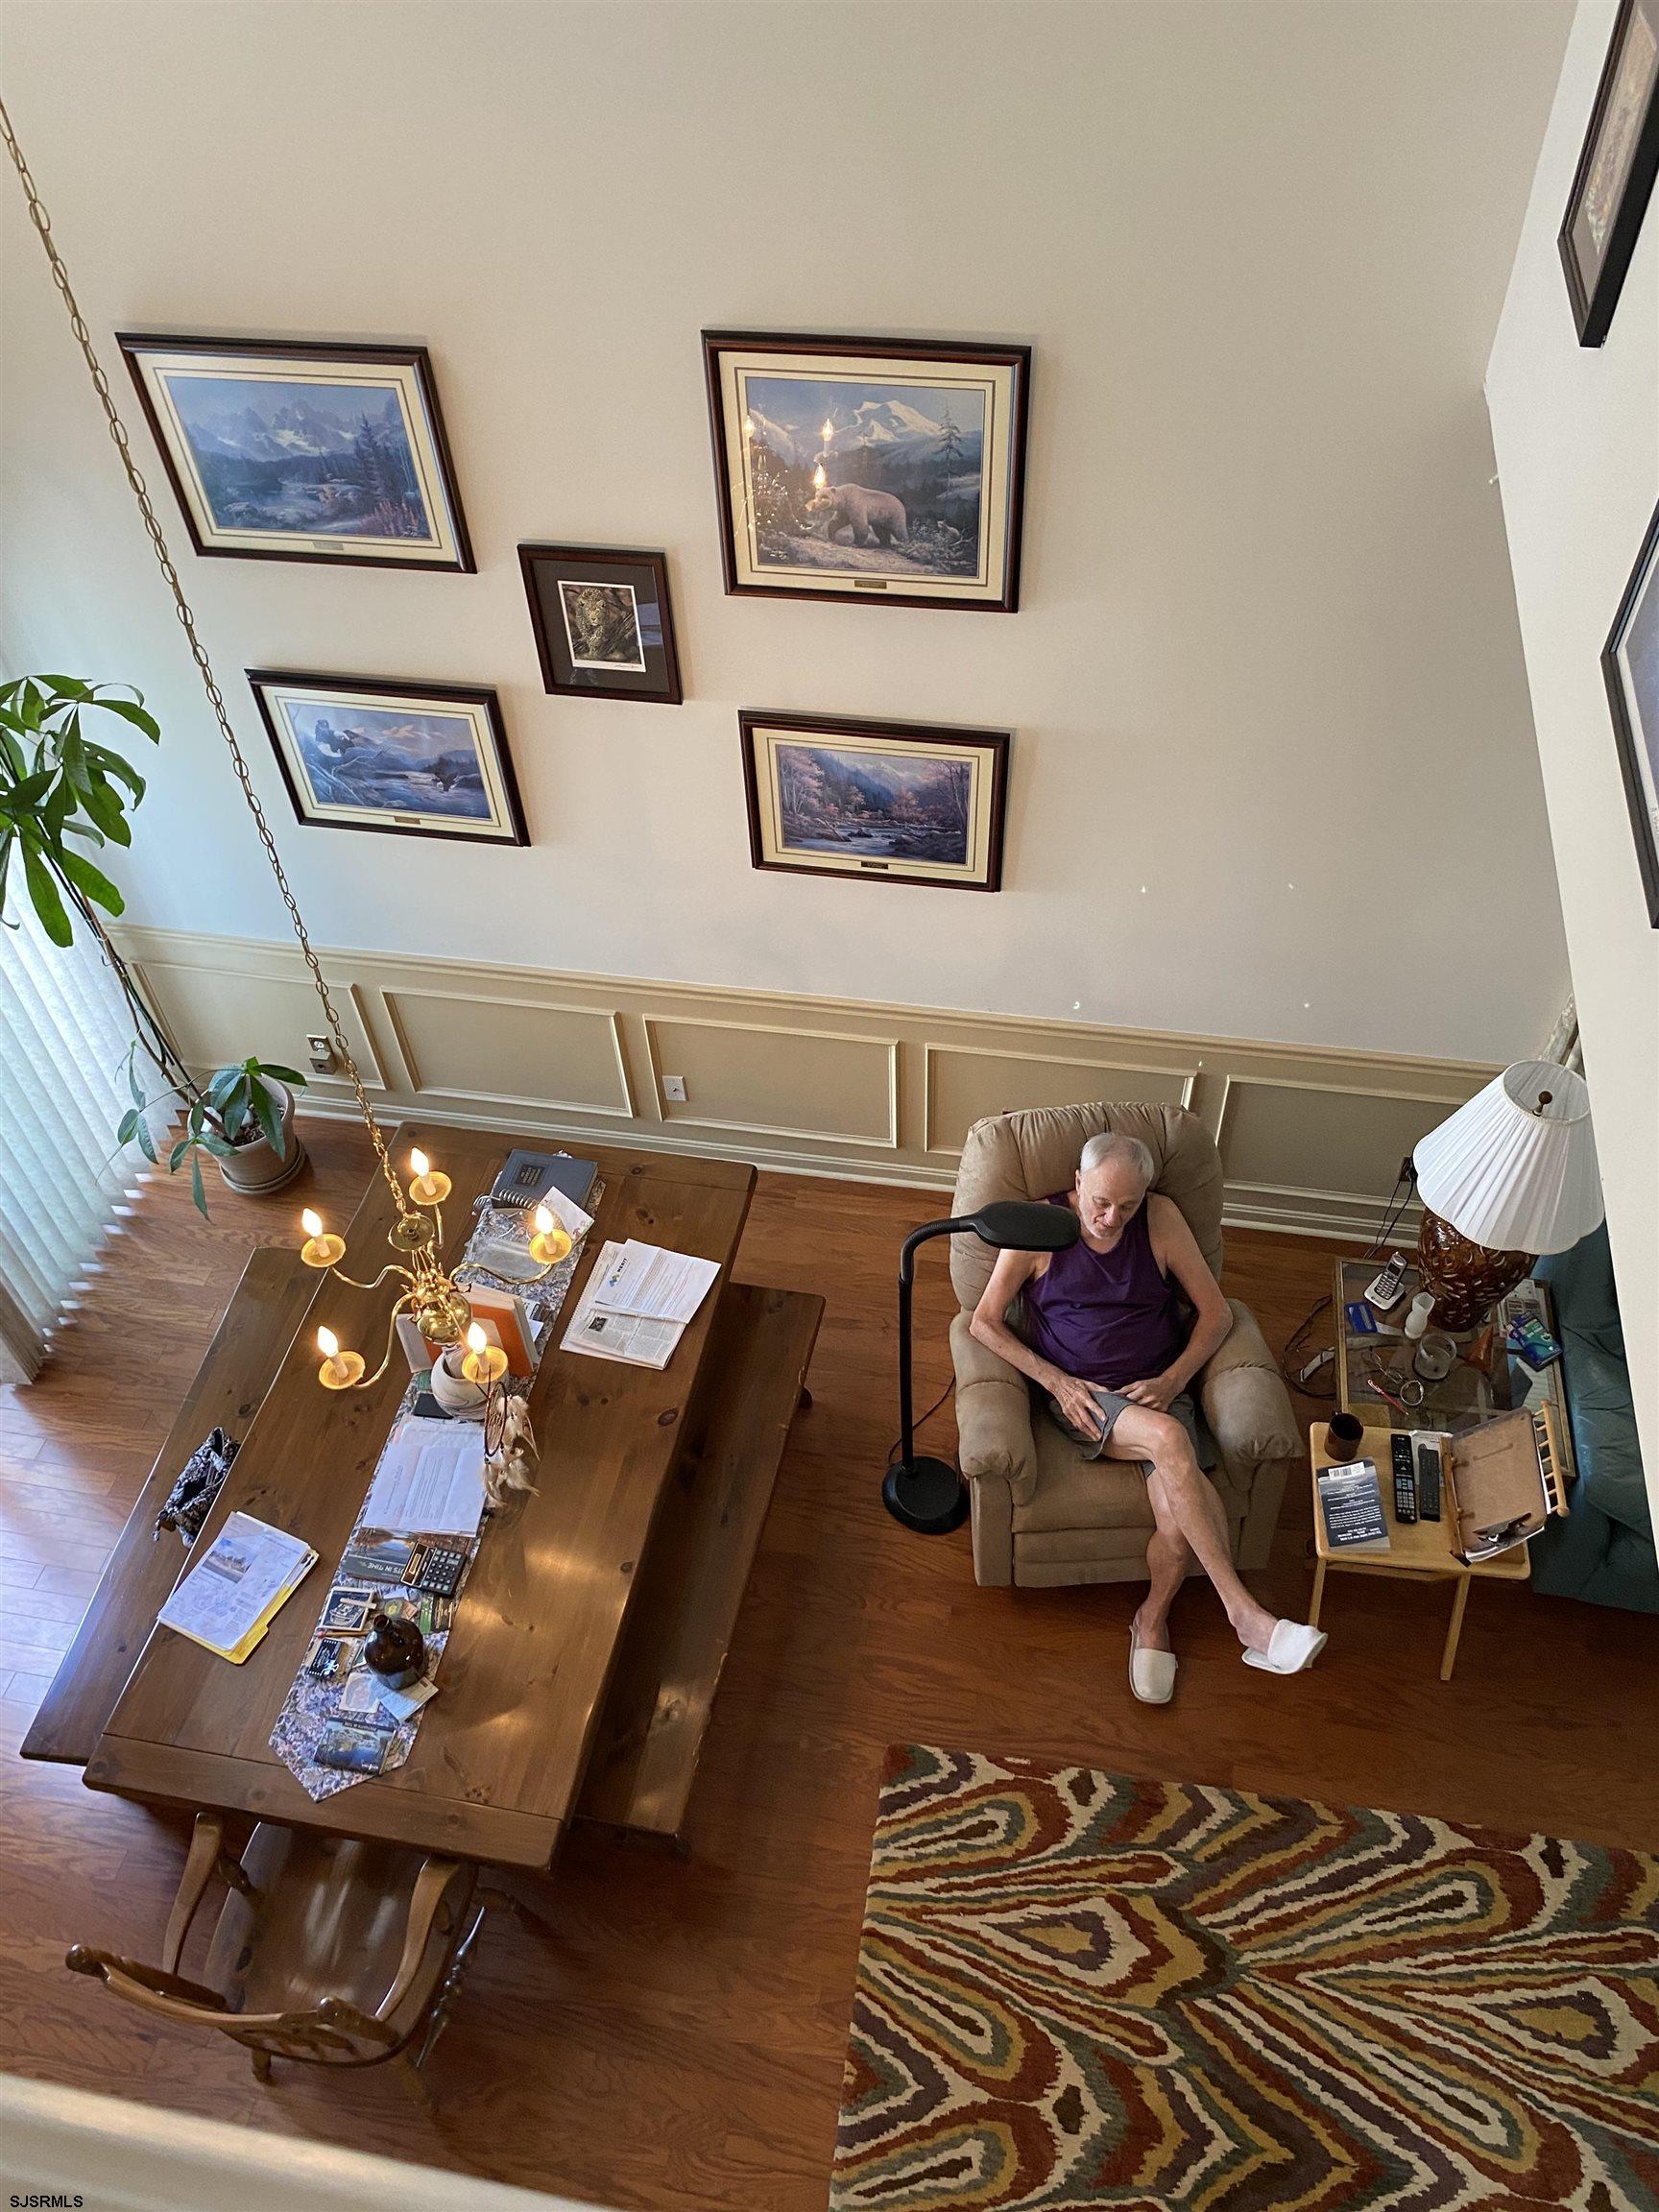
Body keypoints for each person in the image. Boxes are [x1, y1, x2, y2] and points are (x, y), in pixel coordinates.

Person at [969, 1130, 1326, 1702]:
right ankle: (1246, 1617)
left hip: (1159, 1387)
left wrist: (1173, 1379)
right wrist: (1057, 1384)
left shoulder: (1159, 1218)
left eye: (1127, 1205)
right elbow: (982, 1321)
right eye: (1100, 1202)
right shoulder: (1038, 1228)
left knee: (1176, 1524)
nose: (1112, 1219)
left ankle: (1151, 1620)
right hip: (1087, 1398)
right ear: (1077, 1183)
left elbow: (1215, 1314)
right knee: (1169, 1440)